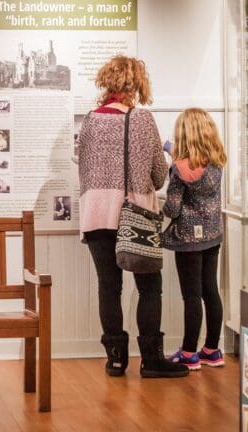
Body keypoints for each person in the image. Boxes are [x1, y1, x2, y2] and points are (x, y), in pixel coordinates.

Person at [78, 55, 187, 379]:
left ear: (106, 82)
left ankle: (115, 359)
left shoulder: (90, 120)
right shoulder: (141, 119)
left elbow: (83, 170)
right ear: (137, 83)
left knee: (108, 286)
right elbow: (156, 176)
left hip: (96, 214)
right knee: (149, 286)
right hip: (135, 213)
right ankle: (152, 360)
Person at [162, 108, 227, 370]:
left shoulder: (178, 170)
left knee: (191, 295)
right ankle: (211, 350)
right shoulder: (217, 163)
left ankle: (189, 353)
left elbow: (173, 208)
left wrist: (161, 206)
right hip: (213, 234)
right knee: (211, 291)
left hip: (188, 239)